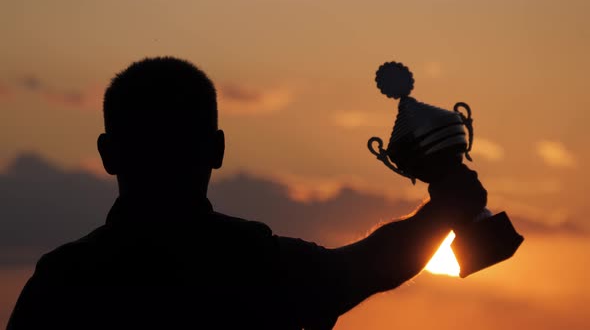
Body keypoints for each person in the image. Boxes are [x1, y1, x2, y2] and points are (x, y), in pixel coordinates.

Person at [7, 57, 487, 330]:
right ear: (217, 150)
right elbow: (367, 267)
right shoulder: (257, 264)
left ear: (107, 154)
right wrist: (444, 207)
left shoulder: (61, 284)